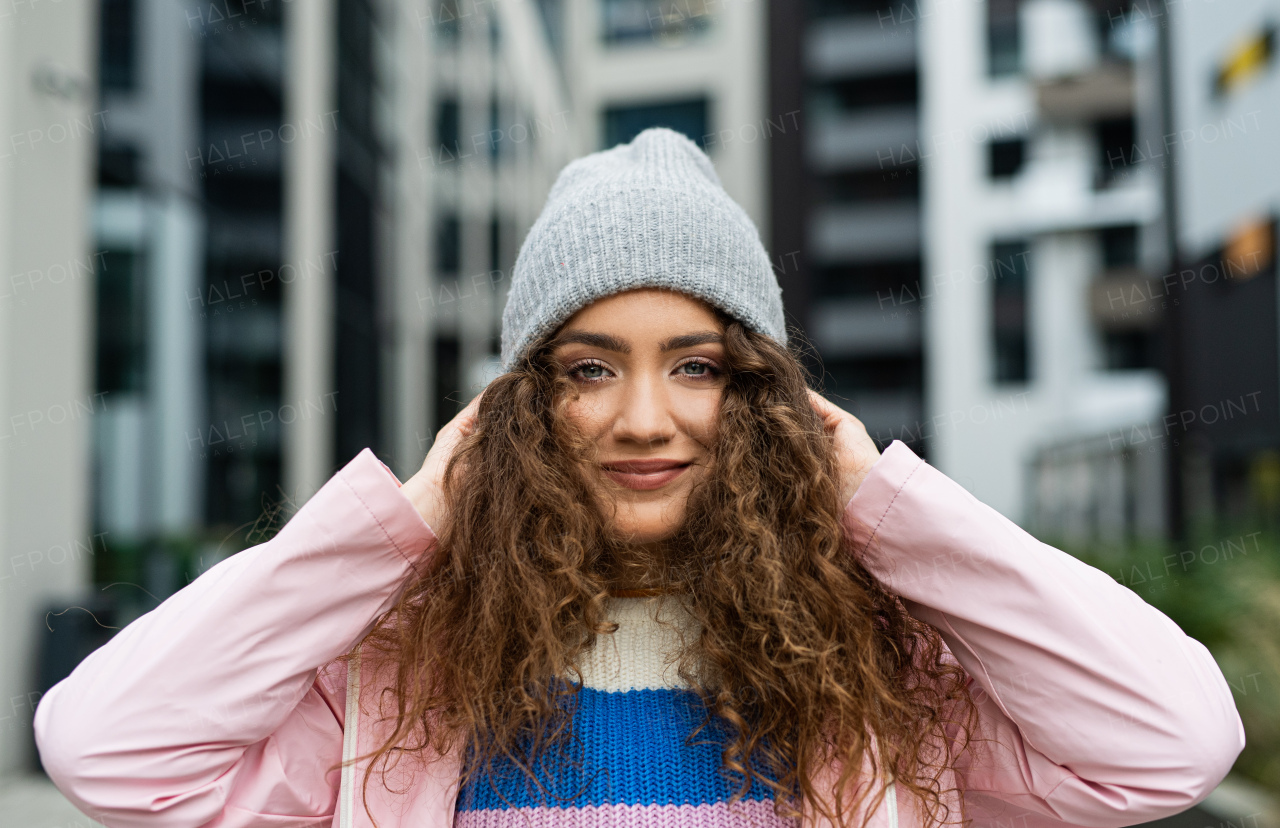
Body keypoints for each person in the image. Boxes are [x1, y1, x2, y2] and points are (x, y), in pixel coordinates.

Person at [35, 128, 1243, 828]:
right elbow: (102, 745)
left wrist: (881, 500)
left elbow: (1171, 738)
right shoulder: (399, 679)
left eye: (700, 365)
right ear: (515, 408)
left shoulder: (873, 677)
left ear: (769, 400)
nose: (644, 418)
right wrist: (401, 524)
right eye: (586, 367)